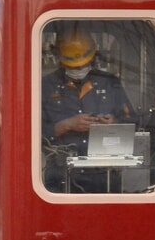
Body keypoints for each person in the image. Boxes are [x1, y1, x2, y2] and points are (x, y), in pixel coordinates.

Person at [41, 32, 135, 190]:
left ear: (93, 58)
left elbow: (134, 124)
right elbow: (28, 134)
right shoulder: (46, 86)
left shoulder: (109, 83)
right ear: (61, 60)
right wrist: (66, 126)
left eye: (83, 65)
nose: (79, 69)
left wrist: (114, 124)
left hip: (104, 174)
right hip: (60, 175)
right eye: (73, 66)